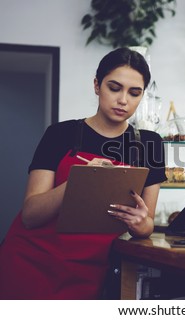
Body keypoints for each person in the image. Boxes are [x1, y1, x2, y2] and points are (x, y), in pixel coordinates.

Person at [0, 48, 167, 299]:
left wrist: (141, 224)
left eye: (134, 93)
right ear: (97, 86)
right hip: (30, 263)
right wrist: (79, 181)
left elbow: (146, 224)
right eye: (114, 88)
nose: (123, 100)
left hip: (87, 271)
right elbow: (31, 216)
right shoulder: (59, 134)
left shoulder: (150, 144)